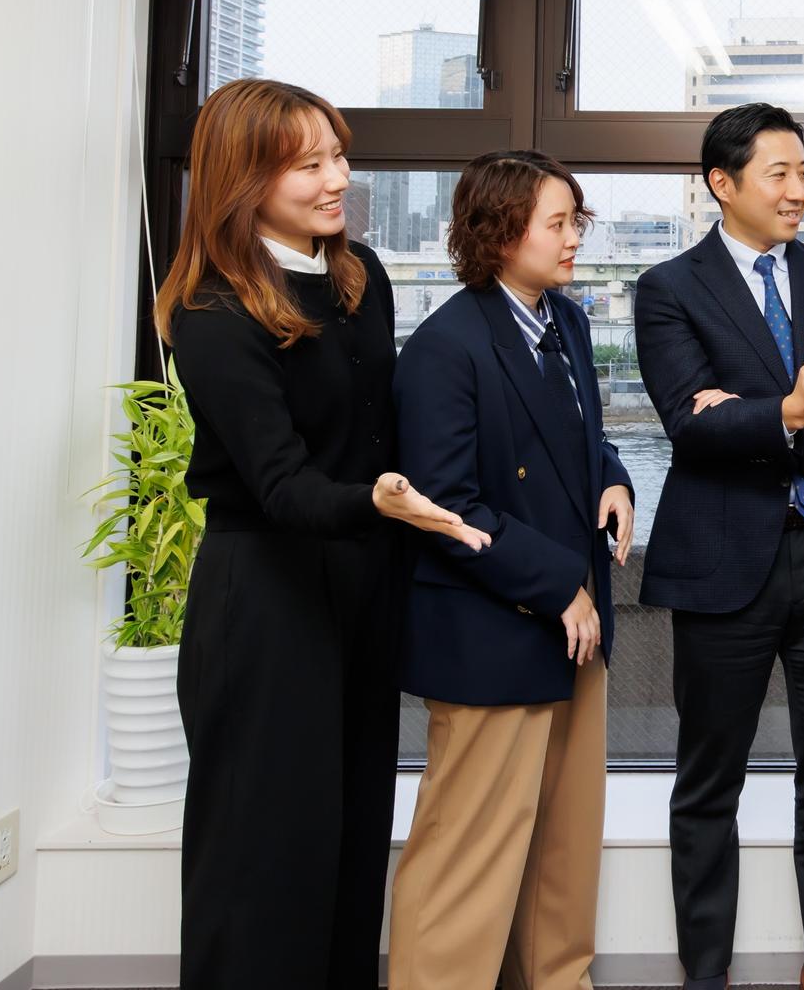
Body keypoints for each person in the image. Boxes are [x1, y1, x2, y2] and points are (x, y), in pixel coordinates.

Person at [156, 78, 488, 989]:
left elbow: (382, 426)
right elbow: (280, 486)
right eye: (308, 165)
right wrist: (380, 501)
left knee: (348, 839)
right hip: (266, 602)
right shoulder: (213, 311)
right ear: (243, 179)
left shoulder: (358, 275)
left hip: (362, 589)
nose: (338, 178)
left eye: (338, 156)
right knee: (261, 858)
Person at [633, 103, 804, 990]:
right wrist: (791, 411)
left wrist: (760, 418)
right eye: (779, 173)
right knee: (708, 781)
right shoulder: (668, 289)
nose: (800, 190)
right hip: (724, 563)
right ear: (723, 183)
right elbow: (688, 424)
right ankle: (704, 974)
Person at [386, 151, 636, 990]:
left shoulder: (567, 322)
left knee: (566, 842)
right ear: (499, 233)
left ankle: (561, 981)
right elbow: (444, 507)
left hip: (575, 627)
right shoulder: (444, 348)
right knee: (465, 855)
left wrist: (614, 478)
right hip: (494, 631)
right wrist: (560, 585)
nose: (575, 239)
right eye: (557, 223)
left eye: (576, 221)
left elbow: (581, 439)